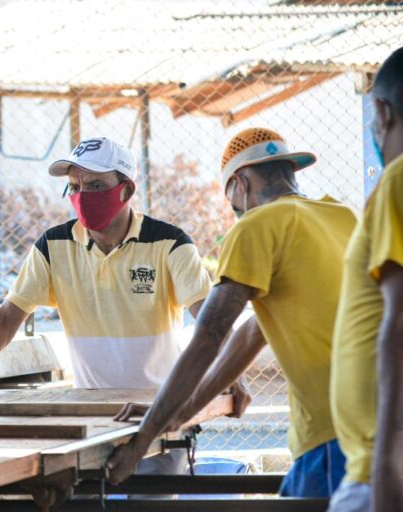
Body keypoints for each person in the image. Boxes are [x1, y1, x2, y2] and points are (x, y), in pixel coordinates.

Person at [0, 136, 250, 475]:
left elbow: (209, 318)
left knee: (153, 498)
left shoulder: (169, 243)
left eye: (96, 185)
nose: (82, 196)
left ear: (125, 190)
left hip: (156, 410)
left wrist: (234, 372)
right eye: (74, 186)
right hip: (87, 413)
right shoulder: (53, 246)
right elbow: (8, 317)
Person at [106, 128, 357, 498]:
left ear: (239, 183)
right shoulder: (342, 217)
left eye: (231, 201)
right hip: (379, 419)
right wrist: (180, 410)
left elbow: (209, 335)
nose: (235, 211)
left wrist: (143, 439)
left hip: (333, 431)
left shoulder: (257, 224)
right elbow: (254, 331)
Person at [327, 47, 403, 512]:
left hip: (382, 471)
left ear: (382, 111)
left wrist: (387, 469)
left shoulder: (396, 181)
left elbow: (398, 328)